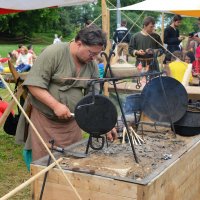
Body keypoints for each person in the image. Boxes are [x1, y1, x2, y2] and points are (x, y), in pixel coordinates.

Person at [16, 25, 117, 164]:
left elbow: (94, 99)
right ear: (79, 43)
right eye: (91, 53)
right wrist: (56, 105)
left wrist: (104, 124)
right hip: (45, 122)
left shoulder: (91, 64)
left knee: (72, 162)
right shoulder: (54, 52)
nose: (93, 58)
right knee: (45, 165)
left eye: (96, 54)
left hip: (72, 125)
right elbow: (34, 85)